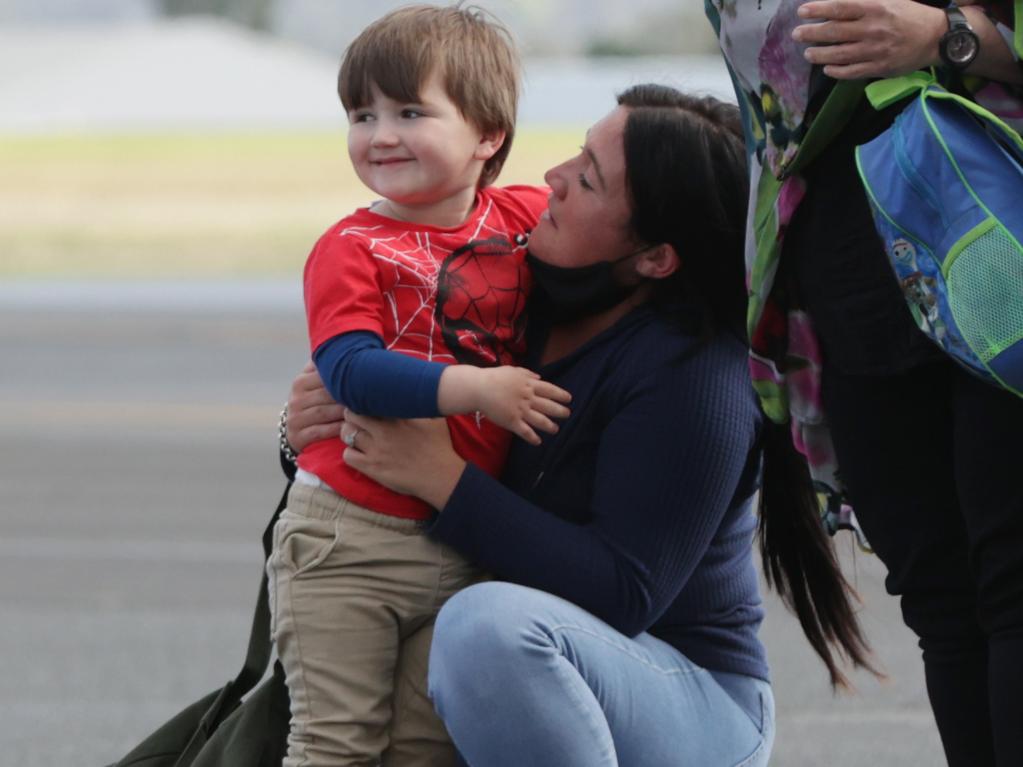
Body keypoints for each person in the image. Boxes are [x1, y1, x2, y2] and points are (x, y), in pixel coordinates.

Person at [283, 84, 878, 767]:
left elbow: (622, 592)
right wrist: (309, 426)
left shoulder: (696, 374)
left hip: (687, 698)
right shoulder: (520, 289)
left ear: (654, 256)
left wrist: (441, 477)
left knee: (485, 630)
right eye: (575, 154)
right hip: (543, 666)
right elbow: (393, 387)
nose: (551, 179)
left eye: (587, 178)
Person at [705, 1, 1023, 764]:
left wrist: (947, 37)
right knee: (942, 600)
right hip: (846, 261)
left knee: (1013, 585)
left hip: (995, 229)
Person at [268, 6, 573, 766]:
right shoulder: (352, 246)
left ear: (488, 135)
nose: (379, 135)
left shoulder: (524, 215)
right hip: (349, 537)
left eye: (410, 111)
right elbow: (349, 369)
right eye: (361, 113)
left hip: (463, 536)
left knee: (429, 747)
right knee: (336, 743)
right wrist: (475, 389)